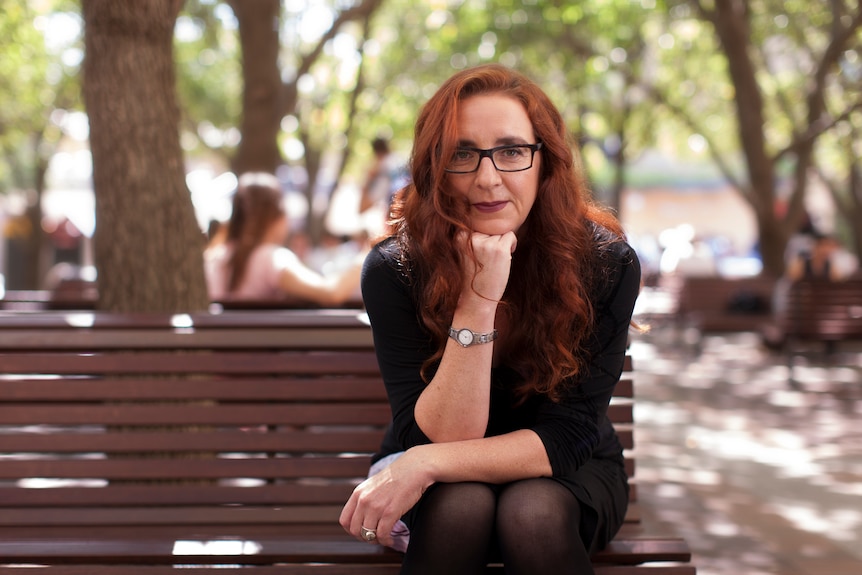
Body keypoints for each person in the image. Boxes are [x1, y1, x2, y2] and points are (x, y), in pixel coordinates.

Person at [339, 64, 641, 574]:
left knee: (531, 511)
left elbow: (566, 439)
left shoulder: (604, 264)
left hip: (565, 472)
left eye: (511, 151)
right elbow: (441, 436)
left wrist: (424, 463)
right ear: (436, 167)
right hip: (438, 475)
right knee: (463, 505)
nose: (486, 177)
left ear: (546, 161)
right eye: (462, 153)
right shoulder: (396, 269)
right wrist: (477, 299)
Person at [204, 172, 364, 306]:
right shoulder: (271, 258)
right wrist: (366, 257)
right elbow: (331, 293)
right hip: (260, 343)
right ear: (275, 217)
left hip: (222, 343)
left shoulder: (214, 257)